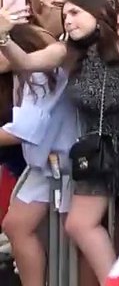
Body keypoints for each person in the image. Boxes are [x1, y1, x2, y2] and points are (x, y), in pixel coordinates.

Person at [0, 0, 119, 282]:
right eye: (65, 14)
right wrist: (3, 37)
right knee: (79, 225)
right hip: (96, 153)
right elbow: (27, 62)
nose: (68, 20)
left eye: (76, 12)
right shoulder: (67, 52)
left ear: (100, 14)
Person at [0, 21, 78, 286]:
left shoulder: (40, 76)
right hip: (45, 165)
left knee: (70, 238)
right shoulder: (23, 77)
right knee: (15, 225)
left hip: (66, 164)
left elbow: (24, 129)